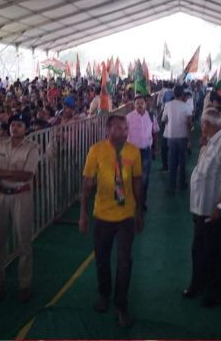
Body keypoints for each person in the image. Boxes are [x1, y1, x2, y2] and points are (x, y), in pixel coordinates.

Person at [79, 115, 143, 327]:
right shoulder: (96, 150)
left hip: (126, 215)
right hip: (102, 214)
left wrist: (139, 212)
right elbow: (87, 184)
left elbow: (136, 182)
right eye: (118, 128)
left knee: (125, 261)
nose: (123, 132)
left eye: (125, 128)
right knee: (102, 259)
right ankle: (104, 293)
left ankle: (121, 304)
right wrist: (83, 214)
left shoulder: (133, 152)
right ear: (108, 130)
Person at [183, 108, 221, 307]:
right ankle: (198, 283)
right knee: (199, 249)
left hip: (212, 209)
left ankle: (216, 292)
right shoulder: (210, 143)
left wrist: (219, 206)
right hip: (200, 206)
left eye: (203, 123)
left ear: (208, 125)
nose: (200, 126)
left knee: (214, 252)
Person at [0, 112, 40, 303]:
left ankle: (25, 284)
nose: (15, 127)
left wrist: (1, 173)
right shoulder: (0, 145)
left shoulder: (33, 148)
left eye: (19, 125)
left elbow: (26, 175)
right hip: (0, 195)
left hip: (21, 196)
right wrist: (9, 173)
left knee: (24, 241)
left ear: (26, 129)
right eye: (13, 124)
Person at [126, 95, 158, 212]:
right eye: (137, 103)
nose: (139, 105)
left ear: (145, 104)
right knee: (129, 178)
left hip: (145, 151)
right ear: (134, 105)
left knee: (144, 179)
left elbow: (155, 133)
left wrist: (155, 148)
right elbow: (124, 134)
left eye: (141, 103)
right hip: (131, 152)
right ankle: (131, 201)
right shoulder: (128, 117)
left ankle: (141, 202)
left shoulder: (151, 116)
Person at [162, 86, 193, 194]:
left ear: (174, 94)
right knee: (182, 161)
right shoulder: (186, 106)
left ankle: (171, 186)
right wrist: (189, 139)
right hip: (183, 136)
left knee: (172, 162)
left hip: (171, 136)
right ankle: (181, 183)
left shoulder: (168, 105)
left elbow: (164, 119)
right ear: (182, 94)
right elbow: (189, 124)